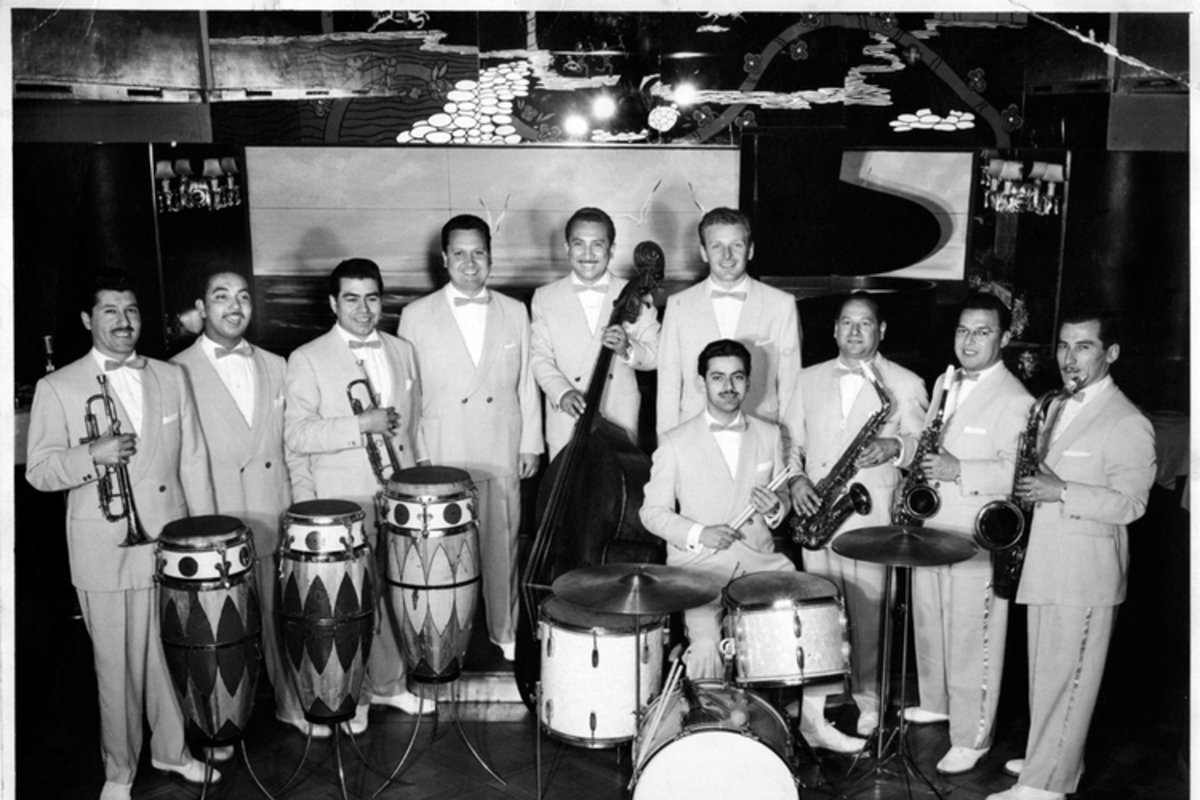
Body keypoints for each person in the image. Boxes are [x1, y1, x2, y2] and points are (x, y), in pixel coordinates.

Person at [26, 269, 218, 800]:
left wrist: (203, 540)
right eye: (110, 311)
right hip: (104, 548)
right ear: (89, 319)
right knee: (115, 667)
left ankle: (174, 751)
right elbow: (39, 471)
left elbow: (195, 461)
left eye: (131, 311)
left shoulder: (169, 376)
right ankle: (119, 771)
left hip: (168, 544)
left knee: (170, 655)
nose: (123, 322)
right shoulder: (57, 386)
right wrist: (93, 455)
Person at [641, 339, 864, 753]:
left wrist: (776, 507)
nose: (729, 386)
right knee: (706, 643)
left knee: (819, 607)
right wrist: (698, 532)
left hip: (761, 561)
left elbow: (779, 501)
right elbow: (651, 513)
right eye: (718, 377)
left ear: (749, 382)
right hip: (699, 566)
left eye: (738, 377)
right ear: (702, 382)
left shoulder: (767, 432)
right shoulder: (674, 441)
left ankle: (814, 721)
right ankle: (706, 735)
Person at [989, 311, 1155, 800]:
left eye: (1083, 347)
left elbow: (1132, 503)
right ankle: (1054, 758)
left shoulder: (1129, 420)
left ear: (1111, 353)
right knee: (1049, 676)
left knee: (1068, 679)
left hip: (1085, 573)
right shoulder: (1057, 404)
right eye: (1064, 346)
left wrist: (1061, 491)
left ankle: (1044, 786)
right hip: (1047, 562)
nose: (1069, 358)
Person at [171, 269, 326, 739]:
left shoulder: (280, 366)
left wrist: (301, 509)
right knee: (217, 628)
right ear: (201, 308)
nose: (234, 306)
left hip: (273, 513)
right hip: (216, 521)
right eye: (221, 296)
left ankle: (290, 704)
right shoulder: (173, 372)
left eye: (242, 296)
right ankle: (218, 722)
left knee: (283, 617)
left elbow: (293, 448)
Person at [284, 257, 430, 734]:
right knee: (354, 603)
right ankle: (358, 694)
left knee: (393, 593)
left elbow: (415, 424)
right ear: (333, 303)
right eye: (351, 298)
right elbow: (298, 436)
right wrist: (359, 425)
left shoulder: (401, 350)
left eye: (372, 297)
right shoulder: (306, 357)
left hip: (397, 497)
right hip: (342, 499)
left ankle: (390, 685)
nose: (363, 308)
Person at [398, 214, 543, 662]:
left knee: (502, 547)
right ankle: (440, 636)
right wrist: (416, 457)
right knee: (443, 553)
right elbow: (409, 393)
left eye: (478, 252)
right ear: (444, 259)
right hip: (442, 451)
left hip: (500, 445)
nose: (469, 262)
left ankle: (506, 632)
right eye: (459, 253)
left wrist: (530, 443)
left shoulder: (515, 310)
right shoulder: (416, 315)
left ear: (490, 257)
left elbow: (526, 383)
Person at [789, 292, 928, 736]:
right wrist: (796, 481)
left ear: (881, 330)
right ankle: (825, 693)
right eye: (846, 323)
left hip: (871, 511)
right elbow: (791, 441)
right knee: (821, 606)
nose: (854, 331)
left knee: (870, 608)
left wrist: (896, 447)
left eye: (864, 323)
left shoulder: (905, 384)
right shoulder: (805, 378)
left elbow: (925, 447)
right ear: (833, 329)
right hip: (819, 506)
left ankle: (869, 698)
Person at [907, 292, 1034, 776]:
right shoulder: (946, 381)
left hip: (976, 534)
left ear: (1003, 337)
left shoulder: (1016, 399)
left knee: (972, 637)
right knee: (930, 622)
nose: (970, 340)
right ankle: (938, 701)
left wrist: (959, 468)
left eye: (982, 332)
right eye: (963, 330)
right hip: (932, 524)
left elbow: (1018, 473)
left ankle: (972, 734)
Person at [656, 207, 802, 457]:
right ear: (703, 252)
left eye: (736, 245)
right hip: (694, 439)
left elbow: (791, 386)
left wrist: (791, 456)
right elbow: (668, 387)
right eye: (716, 246)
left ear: (751, 249)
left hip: (760, 437)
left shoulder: (782, 304)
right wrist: (667, 452)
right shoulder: (678, 305)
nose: (727, 255)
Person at [530, 207, 659, 459]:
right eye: (579, 244)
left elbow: (656, 354)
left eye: (598, 245)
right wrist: (562, 392)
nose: (588, 254)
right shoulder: (545, 297)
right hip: (566, 421)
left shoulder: (638, 294)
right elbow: (539, 358)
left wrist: (627, 349)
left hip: (619, 419)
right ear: (567, 248)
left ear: (611, 250)